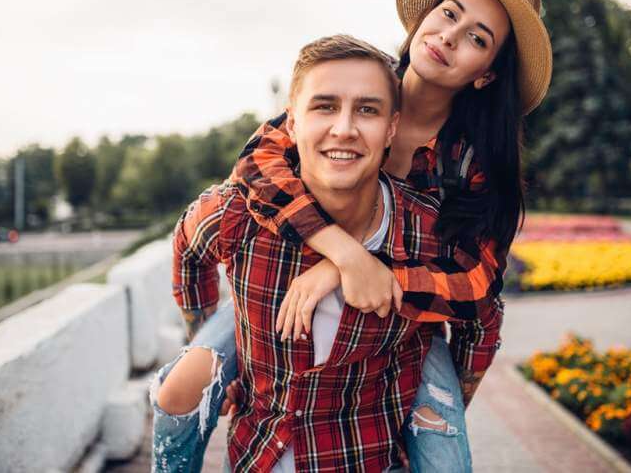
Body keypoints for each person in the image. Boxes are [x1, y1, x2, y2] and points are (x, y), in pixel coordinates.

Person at [152, 0, 552, 472]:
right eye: (449, 14)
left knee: (443, 453)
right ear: (424, 17)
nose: (450, 37)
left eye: (477, 38)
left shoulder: (473, 160)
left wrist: (355, 274)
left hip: (406, 314)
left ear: (486, 74)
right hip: (285, 275)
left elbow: (477, 284)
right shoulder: (357, 84)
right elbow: (255, 169)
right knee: (182, 386)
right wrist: (342, 254)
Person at [159, 34, 483, 472]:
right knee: (177, 387)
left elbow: (483, 309)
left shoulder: (426, 232)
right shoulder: (237, 214)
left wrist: (451, 390)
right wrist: (207, 335)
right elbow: (187, 246)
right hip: (260, 455)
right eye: (325, 106)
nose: (345, 128)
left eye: (367, 110)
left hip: (367, 457)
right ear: (291, 124)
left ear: (391, 129)